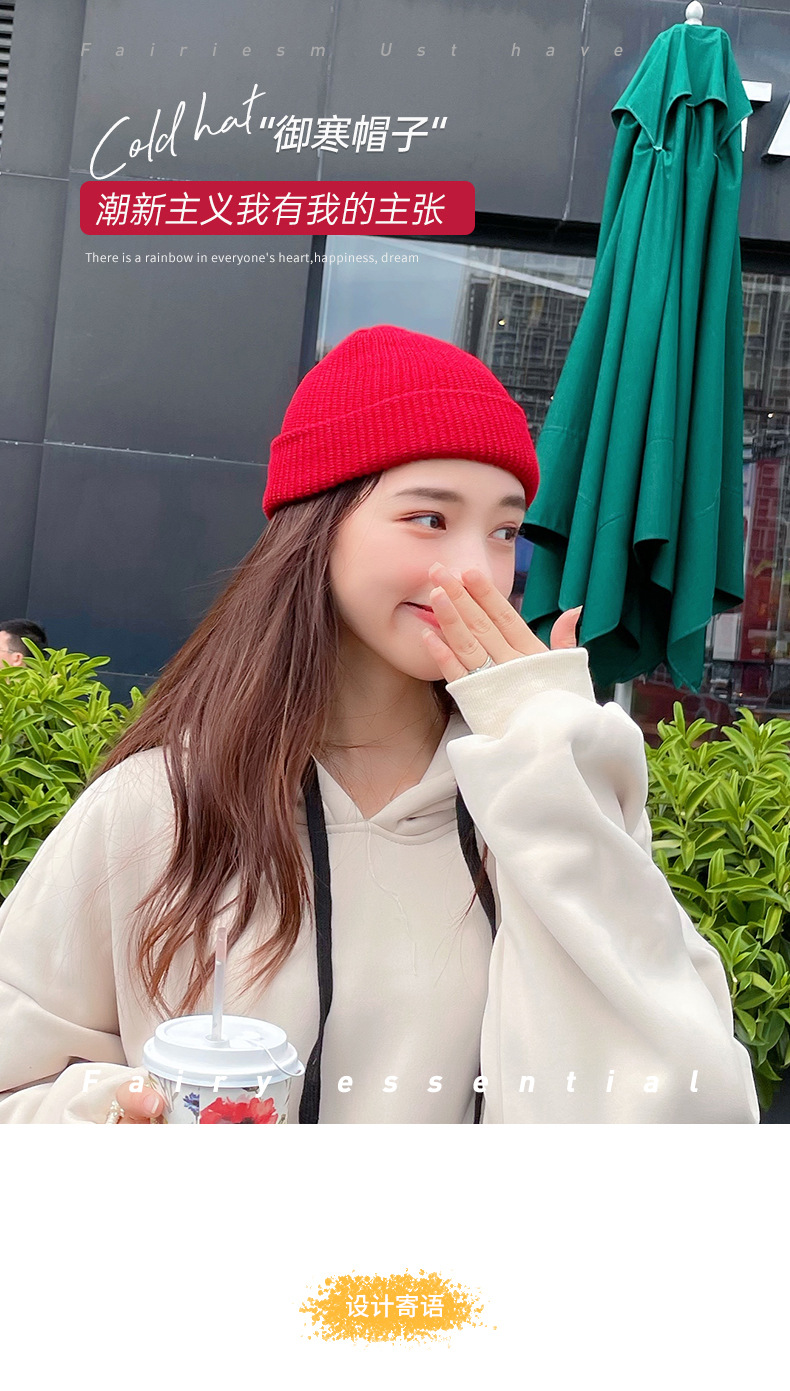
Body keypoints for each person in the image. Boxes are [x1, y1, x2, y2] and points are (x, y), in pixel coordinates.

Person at [0, 325, 759, 1124]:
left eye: (505, 531)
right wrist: (118, 1121)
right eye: (429, 518)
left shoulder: (542, 795)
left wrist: (550, 758)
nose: (475, 570)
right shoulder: (162, 806)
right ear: (318, 525)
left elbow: (693, 1111)